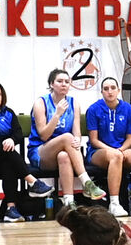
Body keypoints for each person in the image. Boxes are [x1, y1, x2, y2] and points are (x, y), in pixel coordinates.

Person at [0, 81, 53, 222]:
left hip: (2, 160)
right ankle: (32, 182)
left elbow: (17, 133)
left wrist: (12, 140)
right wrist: (1, 146)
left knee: (9, 164)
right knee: (8, 153)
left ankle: (11, 209)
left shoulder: (9, 113)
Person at [29, 69, 106, 208]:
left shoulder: (73, 103)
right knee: (66, 138)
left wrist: (77, 139)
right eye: (59, 81)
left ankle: (69, 202)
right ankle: (87, 182)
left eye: (67, 81)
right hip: (41, 151)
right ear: (51, 84)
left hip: (64, 150)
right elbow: (44, 135)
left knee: (64, 156)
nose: (64, 84)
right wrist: (57, 115)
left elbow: (76, 131)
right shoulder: (41, 103)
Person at [86, 76, 131, 218]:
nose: (109, 91)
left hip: (120, 150)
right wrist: (113, 151)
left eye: (112, 88)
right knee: (115, 156)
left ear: (118, 90)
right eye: (106, 89)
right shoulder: (93, 109)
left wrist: (121, 150)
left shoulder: (128, 109)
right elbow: (94, 140)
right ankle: (114, 204)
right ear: (102, 92)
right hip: (98, 152)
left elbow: (130, 138)